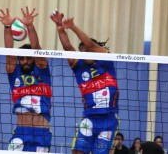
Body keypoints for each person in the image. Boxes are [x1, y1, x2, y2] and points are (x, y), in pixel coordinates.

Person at [51, 10, 119, 154]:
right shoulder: (79, 66)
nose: (84, 52)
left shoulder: (106, 61)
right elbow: (67, 47)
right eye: (82, 50)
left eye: (88, 49)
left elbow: (89, 43)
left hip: (108, 120)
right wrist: (59, 27)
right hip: (89, 118)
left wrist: (73, 27)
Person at [0, 7, 52, 152]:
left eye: (28, 57)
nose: (25, 61)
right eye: (22, 58)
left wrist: (30, 26)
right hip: (21, 132)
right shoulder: (14, 73)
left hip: (42, 133)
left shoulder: (42, 69)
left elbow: (36, 47)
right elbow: (9, 50)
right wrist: (7, 27)